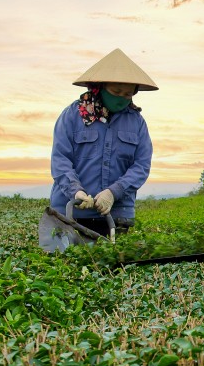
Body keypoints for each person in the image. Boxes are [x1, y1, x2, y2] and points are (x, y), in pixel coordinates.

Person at [50, 48, 157, 236]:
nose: (121, 98)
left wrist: (113, 192)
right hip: (71, 211)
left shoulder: (137, 122)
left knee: (113, 264)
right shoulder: (71, 116)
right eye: (116, 91)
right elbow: (60, 160)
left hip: (116, 214)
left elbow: (141, 165)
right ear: (100, 87)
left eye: (127, 94)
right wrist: (76, 191)